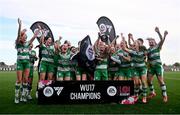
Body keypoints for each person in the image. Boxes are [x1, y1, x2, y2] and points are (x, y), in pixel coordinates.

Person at [14, 18, 38, 103]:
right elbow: (18, 35)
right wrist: (20, 26)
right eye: (24, 37)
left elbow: (34, 37)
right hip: (20, 63)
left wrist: (38, 30)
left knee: (25, 80)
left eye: (26, 37)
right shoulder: (18, 43)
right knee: (19, 80)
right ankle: (17, 97)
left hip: (27, 63)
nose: (25, 38)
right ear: (21, 37)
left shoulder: (27, 44)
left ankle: (23, 96)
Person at [147, 27, 168, 102]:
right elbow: (147, 58)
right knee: (148, 81)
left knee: (160, 81)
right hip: (151, 67)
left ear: (155, 42)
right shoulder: (148, 50)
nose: (150, 42)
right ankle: (153, 92)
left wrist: (158, 32)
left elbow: (162, 40)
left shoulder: (157, 47)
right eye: (149, 41)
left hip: (158, 67)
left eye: (152, 41)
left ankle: (165, 95)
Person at [123, 38, 148, 103]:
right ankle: (136, 96)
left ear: (138, 45)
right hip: (135, 69)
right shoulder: (132, 52)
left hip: (143, 68)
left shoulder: (143, 51)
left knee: (143, 82)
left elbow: (147, 54)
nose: (133, 45)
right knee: (136, 83)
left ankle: (144, 97)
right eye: (133, 44)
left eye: (135, 44)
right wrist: (123, 39)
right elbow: (125, 48)